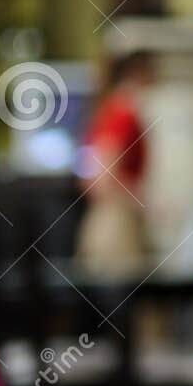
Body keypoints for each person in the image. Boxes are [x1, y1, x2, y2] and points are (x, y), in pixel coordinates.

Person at [74, 50, 156, 277]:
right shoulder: (122, 114)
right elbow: (103, 179)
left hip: (104, 221)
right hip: (116, 224)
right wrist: (142, 204)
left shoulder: (107, 110)